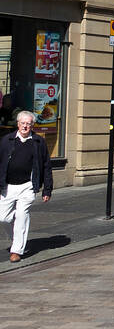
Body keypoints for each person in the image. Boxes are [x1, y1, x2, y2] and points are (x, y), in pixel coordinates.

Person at [0, 110, 53, 262]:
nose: (25, 126)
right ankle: (17, 235)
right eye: (22, 123)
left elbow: (46, 166)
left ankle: (16, 250)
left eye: (28, 124)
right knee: (3, 217)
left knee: (22, 215)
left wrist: (47, 189)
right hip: (8, 186)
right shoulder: (6, 140)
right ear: (17, 124)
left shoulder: (38, 142)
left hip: (27, 186)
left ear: (32, 125)